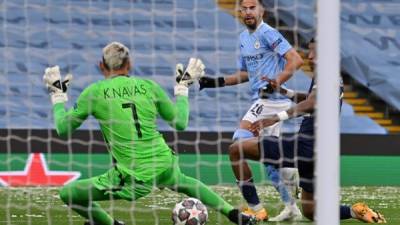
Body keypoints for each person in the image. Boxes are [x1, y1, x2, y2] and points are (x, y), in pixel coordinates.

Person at [43, 42, 257, 225]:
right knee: (186, 182)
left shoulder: (95, 92)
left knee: (69, 194)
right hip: (163, 161)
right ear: (130, 65)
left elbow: (63, 129)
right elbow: (180, 123)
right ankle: (234, 214)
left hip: (133, 175)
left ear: (101, 66)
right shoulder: (149, 86)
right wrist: (182, 89)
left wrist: (58, 96)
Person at [229, 38, 387, 223]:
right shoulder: (329, 76)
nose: (310, 57)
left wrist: (274, 117)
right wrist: (283, 91)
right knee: (311, 211)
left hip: (306, 144)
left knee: (236, 150)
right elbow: (309, 98)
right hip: (318, 152)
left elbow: (311, 103)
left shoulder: (326, 75)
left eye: (315, 52)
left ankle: (257, 210)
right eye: (310, 51)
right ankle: (355, 211)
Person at [198, 0, 304, 221]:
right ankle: (291, 203)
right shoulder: (243, 38)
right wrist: (216, 82)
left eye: (252, 7)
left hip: (272, 100)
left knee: (237, 146)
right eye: (244, 8)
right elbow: (245, 74)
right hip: (262, 100)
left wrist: (274, 82)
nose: (248, 12)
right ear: (239, 11)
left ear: (261, 10)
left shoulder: (269, 33)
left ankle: (257, 209)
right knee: (268, 161)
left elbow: (296, 60)